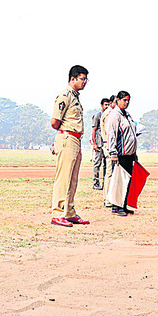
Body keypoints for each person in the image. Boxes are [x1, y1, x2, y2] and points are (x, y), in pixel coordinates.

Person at [50, 65, 91, 227]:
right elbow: (54, 122)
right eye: (82, 78)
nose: (85, 82)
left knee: (73, 179)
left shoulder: (75, 97)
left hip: (76, 139)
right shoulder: (65, 95)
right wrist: (65, 131)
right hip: (67, 137)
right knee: (64, 178)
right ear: (73, 78)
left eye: (86, 79)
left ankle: (69, 212)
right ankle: (57, 213)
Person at [106, 91, 137, 216]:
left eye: (128, 100)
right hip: (120, 153)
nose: (126, 102)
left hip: (129, 153)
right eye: (124, 100)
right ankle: (117, 207)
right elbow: (112, 134)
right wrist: (113, 153)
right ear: (117, 100)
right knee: (120, 181)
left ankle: (123, 205)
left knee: (127, 180)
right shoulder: (115, 115)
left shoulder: (127, 115)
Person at [100, 95, 117, 207]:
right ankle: (108, 199)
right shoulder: (109, 114)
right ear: (112, 103)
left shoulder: (111, 113)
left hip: (110, 146)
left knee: (111, 173)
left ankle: (110, 198)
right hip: (109, 146)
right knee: (110, 173)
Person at [91, 98, 110, 190]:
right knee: (97, 164)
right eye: (105, 104)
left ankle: (105, 183)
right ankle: (96, 183)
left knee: (106, 164)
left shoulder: (109, 116)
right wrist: (94, 143)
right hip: (99, 143)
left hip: (106, 144)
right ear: (101, 105)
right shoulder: (98, 116)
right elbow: (94, 130)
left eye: (108, 104)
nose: (107, 106)